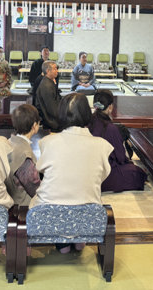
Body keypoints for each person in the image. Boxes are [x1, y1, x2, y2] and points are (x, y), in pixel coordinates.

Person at [30, 93, 113, 253]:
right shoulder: (101, 145)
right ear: (87, 114)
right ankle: (79, 238)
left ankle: (63, 244)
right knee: (85, 195)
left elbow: (41, 170)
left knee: (45, 198)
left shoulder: (48, 142)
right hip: (89, 214)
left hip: (50, 212)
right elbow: (102, 176)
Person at [88, 90, 147, 192]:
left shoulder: (88, 122)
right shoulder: (111, 128)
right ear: (110, 107)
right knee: (138, 173)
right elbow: (120, 157)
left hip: (87, 169)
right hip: (103, 172)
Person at [5, 104, 41, 206]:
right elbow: (35, 188)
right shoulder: (24, 154)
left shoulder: (9, 142)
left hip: (11, 202)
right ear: (34, 125)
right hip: (23, 206)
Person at [34, 61, 61, 131]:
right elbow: (52, 109)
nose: (57, 71)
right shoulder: (47, 86)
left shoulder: (49, 82)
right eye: (55, 69)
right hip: (51, 122)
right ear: (48, 71)